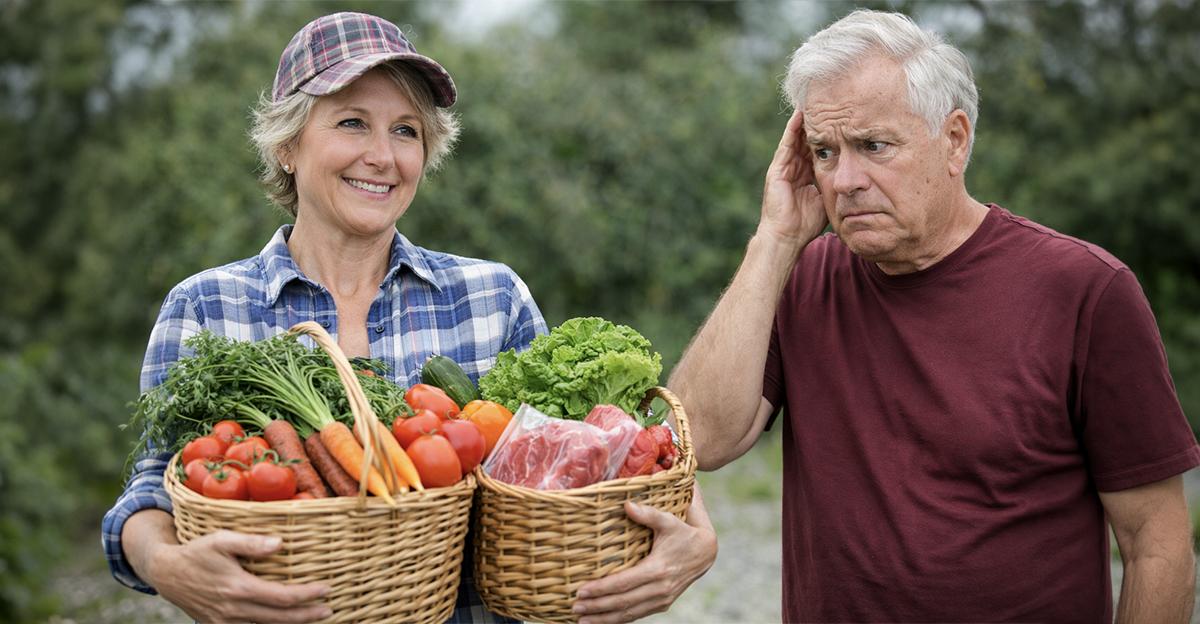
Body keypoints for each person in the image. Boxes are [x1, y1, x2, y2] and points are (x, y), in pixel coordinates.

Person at [101, 12, 716, 624]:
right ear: (287, 145)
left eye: (406, 131)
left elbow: (593, 454)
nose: (382, 156)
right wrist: (164, 565)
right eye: (351, 122)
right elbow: (158, 482)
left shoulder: (491, 297)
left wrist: (696, 531)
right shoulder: (206, 307)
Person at [669, 9, 1198, 623]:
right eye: (823, 150)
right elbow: (697, 442)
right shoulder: (801, 277)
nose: (844, 180)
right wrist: (775, 237)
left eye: (873, 146)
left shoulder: (1085, 291)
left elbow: (1157, 547)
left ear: (954, 141)